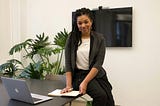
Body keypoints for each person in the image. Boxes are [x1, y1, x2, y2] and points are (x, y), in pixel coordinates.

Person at [61, 7, 115, 106]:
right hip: (78, 75)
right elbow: (68, 63)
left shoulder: (99, 38)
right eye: (80, 23)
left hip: (94, 74)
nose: (83, 25)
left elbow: (98, 64)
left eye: (86, 22)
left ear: (91, 21)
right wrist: (68, 85)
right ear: (76, 24)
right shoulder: (71, 37)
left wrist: (85, 82)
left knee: (105, 96)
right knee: (101, 96)